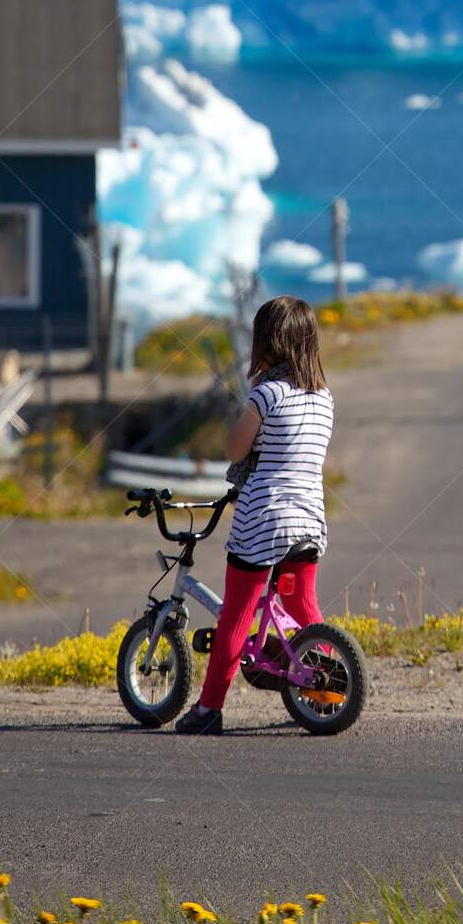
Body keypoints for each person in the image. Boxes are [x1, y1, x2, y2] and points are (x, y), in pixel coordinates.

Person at [176, 295, 333, 735]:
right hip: (308, 517)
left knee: (236, 615)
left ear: (267, 342)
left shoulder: (267, 394)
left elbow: (235, 449)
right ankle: (333, 679)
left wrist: (241, 421)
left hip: (264, 517)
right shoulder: (324, 398)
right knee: (302, 603)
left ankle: (208, 711)